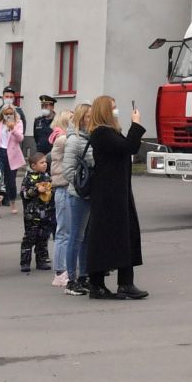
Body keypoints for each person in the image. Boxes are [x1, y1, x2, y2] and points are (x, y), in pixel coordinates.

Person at [82, 95, 148, 300]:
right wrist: (136, 125)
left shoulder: (111, 131)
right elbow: (128, 147)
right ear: (104, 111)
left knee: (124, 235)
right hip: (108, 193)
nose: (116, 110)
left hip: (117, 191)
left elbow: (129, 148)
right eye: (113, 107)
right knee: (107, 237)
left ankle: (125, 283)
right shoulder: (101, 133)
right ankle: (98, 284)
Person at [51, 104, 92, 293]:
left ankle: (84, 275)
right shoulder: (73, 139)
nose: (92, 120)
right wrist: (82, 183)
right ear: (81, 118)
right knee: (75, 236)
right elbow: (67, 170)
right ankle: (71, 279)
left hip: (92, 193)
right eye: (89, 117)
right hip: (79, 194)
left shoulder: (92, 138)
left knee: (85, 237)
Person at [20, 151, 54, 274]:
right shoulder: (28, 177)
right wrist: (36, 189)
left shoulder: (47, 176)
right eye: (41, 163)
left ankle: (42, 260)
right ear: (34, 165)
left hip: (46, 213)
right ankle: (25, 261)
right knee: (29, 238)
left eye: (45, 162)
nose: (45, 164)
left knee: (43, 238)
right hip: (32, 214)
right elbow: (24, 193)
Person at [0, 105, 26, 212]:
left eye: (11, 114)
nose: (8, 116)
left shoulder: (18, 123)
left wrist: (12, 129)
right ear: (2, 114)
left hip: (12, 154)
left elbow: (20, 138)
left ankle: (12, 202)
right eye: (6, 114)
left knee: (11, 181)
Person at [32, 95, 58, 160]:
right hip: (40, 154)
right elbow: (36, 137)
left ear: (52, 107)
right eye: (42, 106)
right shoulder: (38, 121)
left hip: (53, 154)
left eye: (46, 106)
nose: (44, 108)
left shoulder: (58, 120)